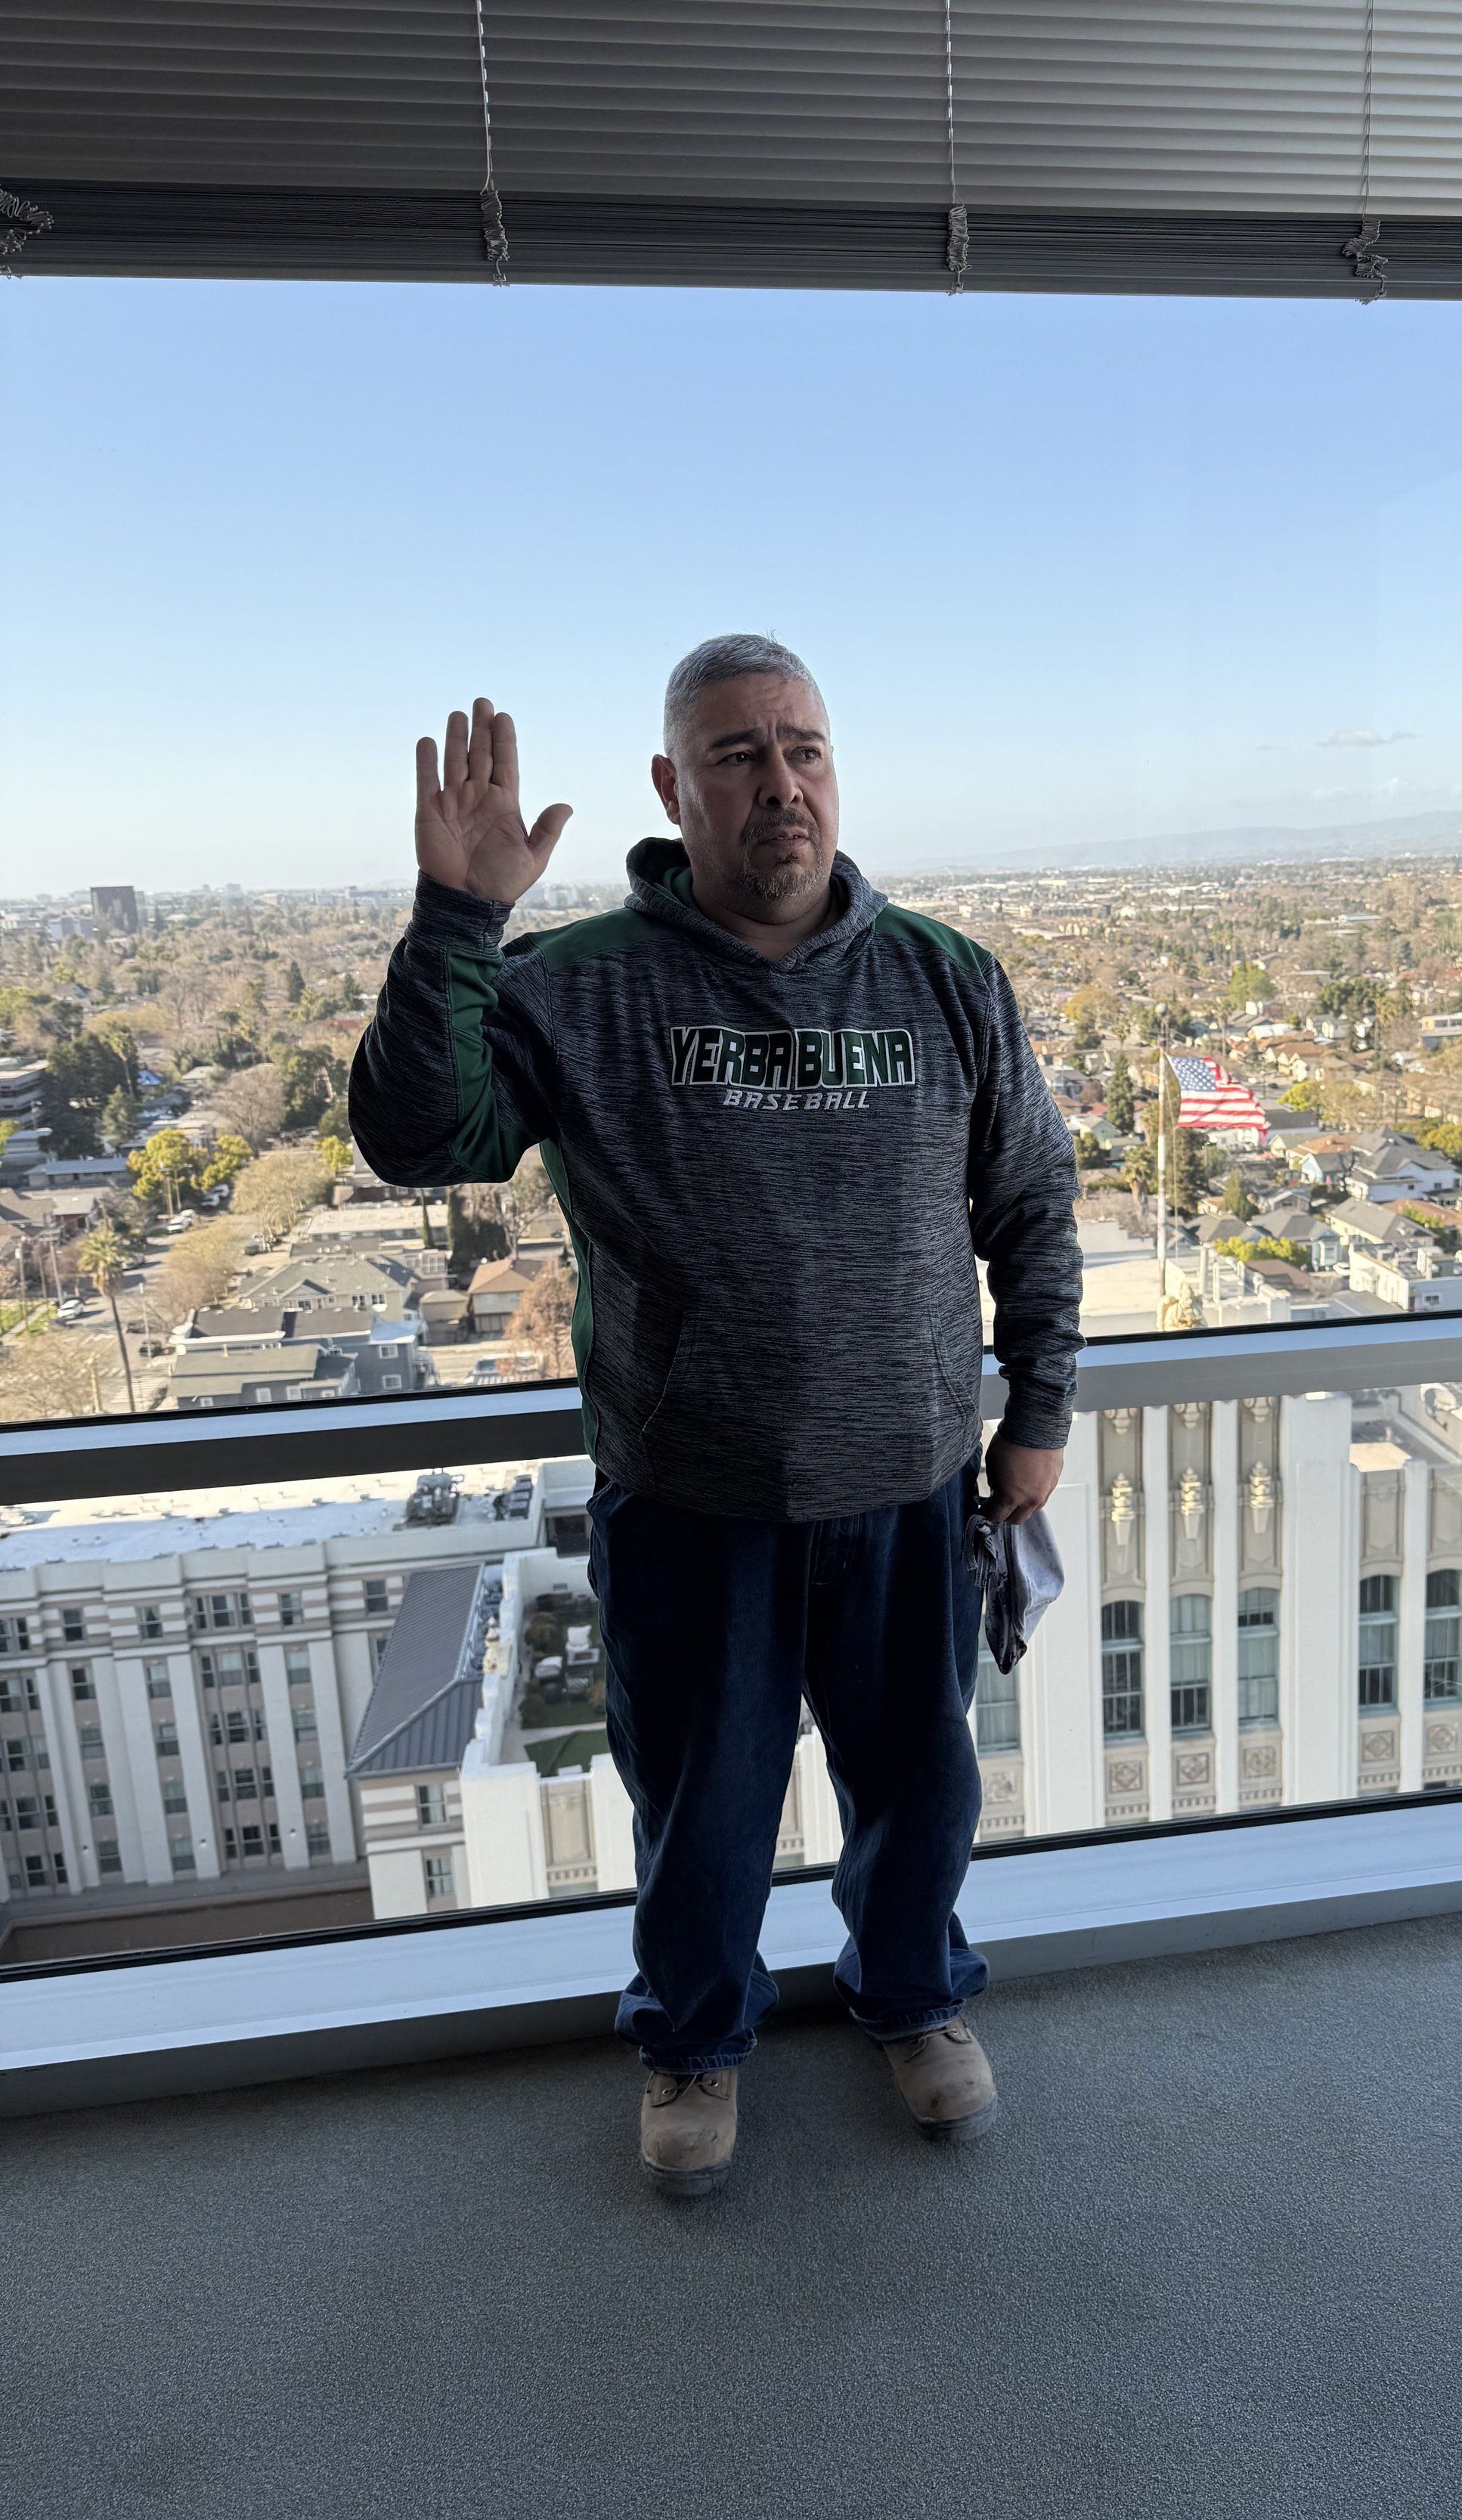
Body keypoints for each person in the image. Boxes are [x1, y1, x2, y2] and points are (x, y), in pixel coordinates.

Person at [350, 634, 1083, 2192]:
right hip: (691, 1492)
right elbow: (417, 1140)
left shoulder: (944, 976)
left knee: (919, 1784)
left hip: (905, 1486)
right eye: (738, 754)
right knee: (699, 1806)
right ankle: (691, 2039)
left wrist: (1040, 1407)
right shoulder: (581, 984)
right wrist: (460, 917)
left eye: (803, 746)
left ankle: (914, 2000)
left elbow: (1031, 1202)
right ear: (673, 788)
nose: (781, 782)